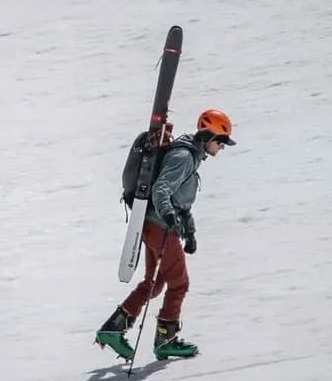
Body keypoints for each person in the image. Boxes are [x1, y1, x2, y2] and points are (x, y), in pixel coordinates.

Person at [96, 109, 235, 360]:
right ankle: (165, 339)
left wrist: (189, 231)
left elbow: (182, 202)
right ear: (207, 136)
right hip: (160, 227)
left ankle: (113, 329)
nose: (222, 148)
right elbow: (162, 188)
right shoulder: (184, 156)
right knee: (180, 284)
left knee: (154, 283)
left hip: (153, 225)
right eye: (221, 141)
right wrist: (170, 218)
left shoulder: (190, 156)